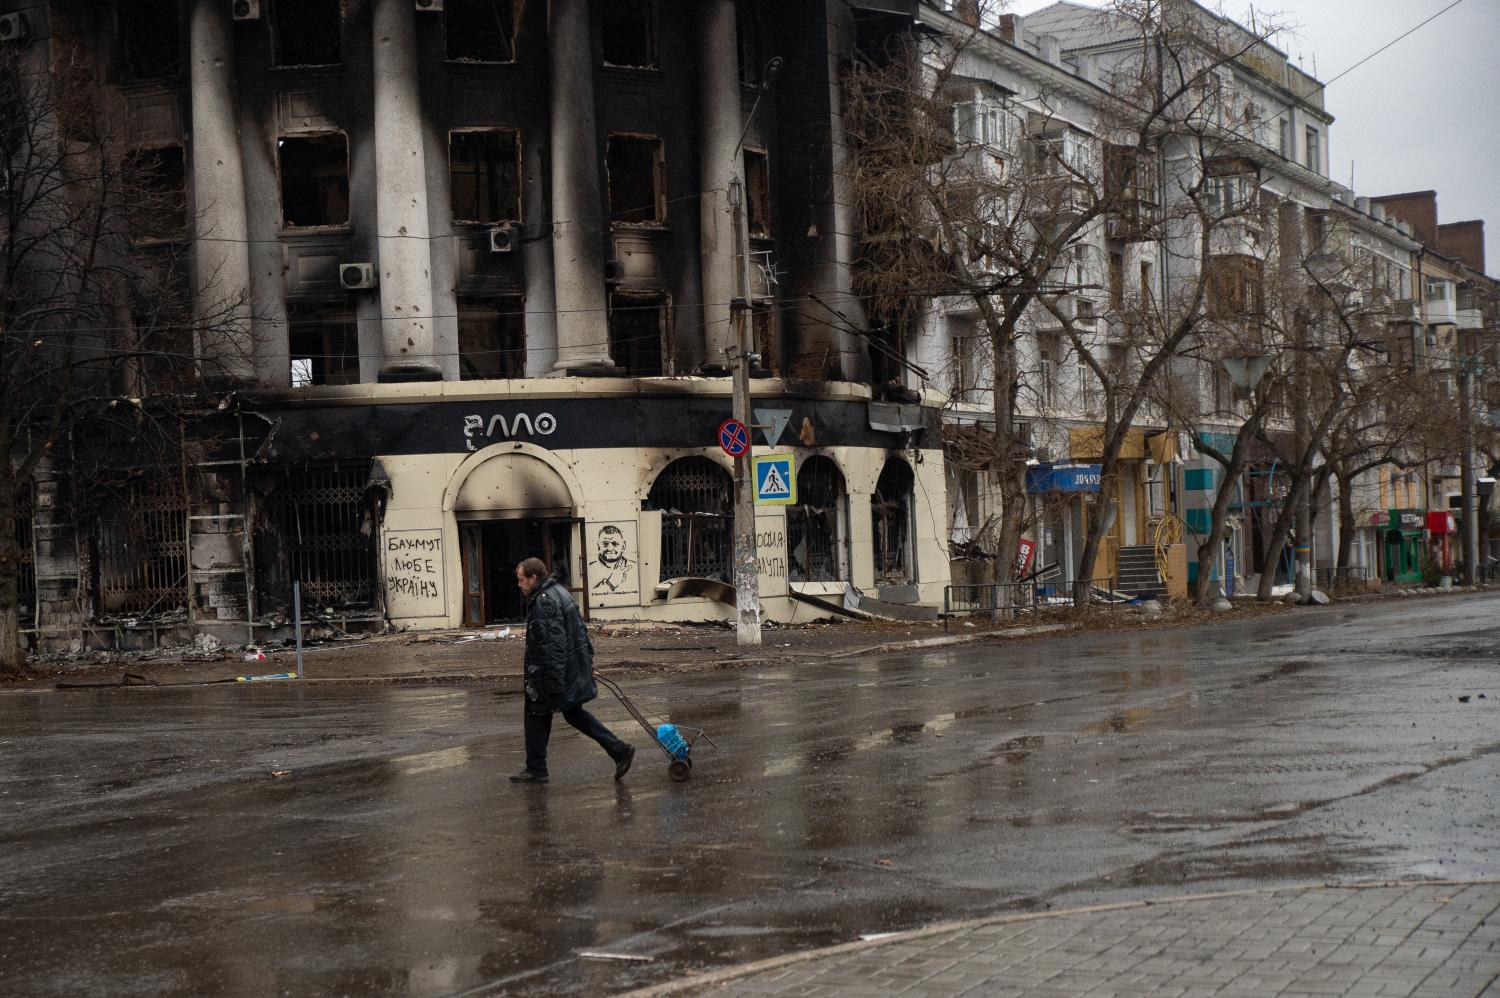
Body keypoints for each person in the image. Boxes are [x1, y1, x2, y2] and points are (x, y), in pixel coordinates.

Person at [511, 557, 634, 784]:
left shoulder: (545, 601)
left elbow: (553, 645)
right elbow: (577, 632)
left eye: (521, 580)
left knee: (537, 711)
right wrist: (586, 660)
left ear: (533, 578)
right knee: (568, 713)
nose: (519, 585)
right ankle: (618, 750)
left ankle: (537, 769)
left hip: (557, 671)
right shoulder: (558, 590)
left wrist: (554, 682)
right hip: (571, 666)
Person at [591, 525, 636, 595]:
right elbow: (589, 597)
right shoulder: (589, 569)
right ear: (598, 546)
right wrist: (610, 583)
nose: (610, 548)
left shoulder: (634, 568)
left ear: (623, 546)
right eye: (605, 544)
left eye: (615, 544)